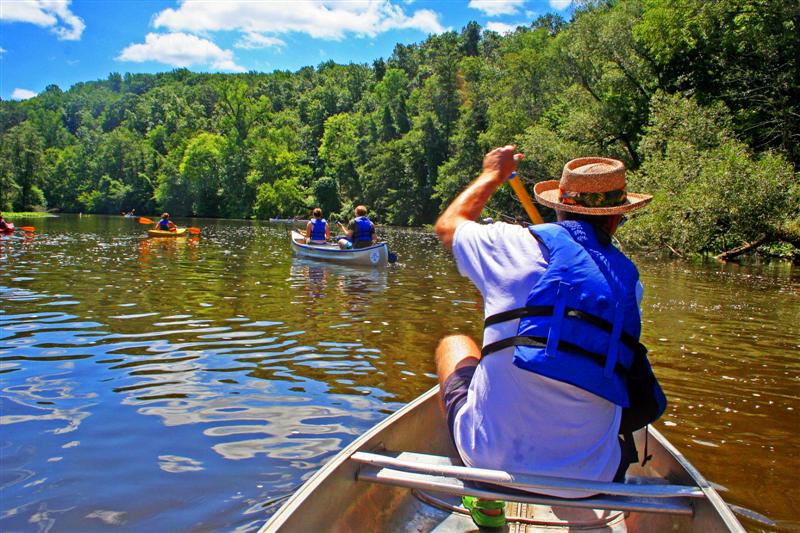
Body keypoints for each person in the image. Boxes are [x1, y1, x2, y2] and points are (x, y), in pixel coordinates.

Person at [434, 146, 662, 527]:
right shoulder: (629, 281)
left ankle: (485, 498)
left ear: (558, 206)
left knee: (454, 345)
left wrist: (493, 172)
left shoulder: (510, 244)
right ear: (616, 219)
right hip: (592, 479)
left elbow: (449, 226)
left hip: (489, 460)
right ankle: (587, 517)